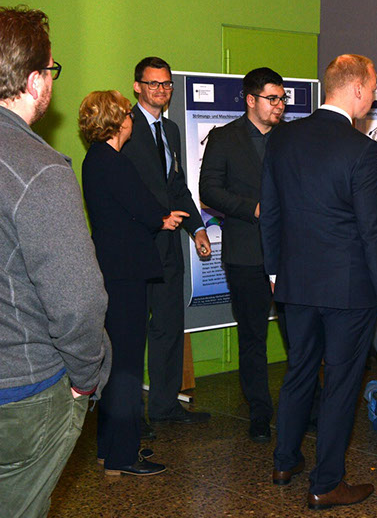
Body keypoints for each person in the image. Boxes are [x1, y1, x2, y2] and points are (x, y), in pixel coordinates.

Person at [260, 54, 377, 510]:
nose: (374, 98)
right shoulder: (361, 150)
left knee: (300, 371)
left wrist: (274, 273)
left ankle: (284, 462)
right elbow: (373, 230)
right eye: (374, 88)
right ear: (357, 88)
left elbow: (270, 212)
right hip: (348, 290)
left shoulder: (282, 138)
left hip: (294, 283)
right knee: (341, 384)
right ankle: (326, 483)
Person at [0, 6, 111, 517]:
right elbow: (78, 300)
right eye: (51, 69)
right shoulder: (39, 168)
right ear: (33, 80)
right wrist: (86, 378)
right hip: (23, 393)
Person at [81, 90, 190, 475]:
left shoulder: (96, 159)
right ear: (116, 122)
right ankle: (123, 456)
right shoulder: (114, 162)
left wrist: (158, 215)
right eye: (126, 113)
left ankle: (109, 447)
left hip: (113, 269)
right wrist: (164, 218)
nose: (131, 119)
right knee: (126, 365)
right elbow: (143, 208)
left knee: (115, 362)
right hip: (126, 273)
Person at [121, 57, 211, 429]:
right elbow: (121, 190)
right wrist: (155, 219)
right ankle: (127, 417)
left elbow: (176, 186)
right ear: (137, 86)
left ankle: (164, 404)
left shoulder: (170, 130)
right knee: (130, 331)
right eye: (154, 83)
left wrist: (198, 229)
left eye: (167, 84)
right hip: (136, 246)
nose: (162, 90)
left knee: (170, 325)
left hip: (170, 245)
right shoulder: (123, 127)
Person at [199, 67, 287, 442]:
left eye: (282, 99)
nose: (279, 106)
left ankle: (309, 408)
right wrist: (252, 208)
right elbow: (209, 190)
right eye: (272, 99)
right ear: (251, 100)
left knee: (299, 336)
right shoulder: (224, 138)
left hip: (290, 254)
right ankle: (259, 412)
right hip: (246, 253)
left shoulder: (290, 137)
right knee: (252, 337)